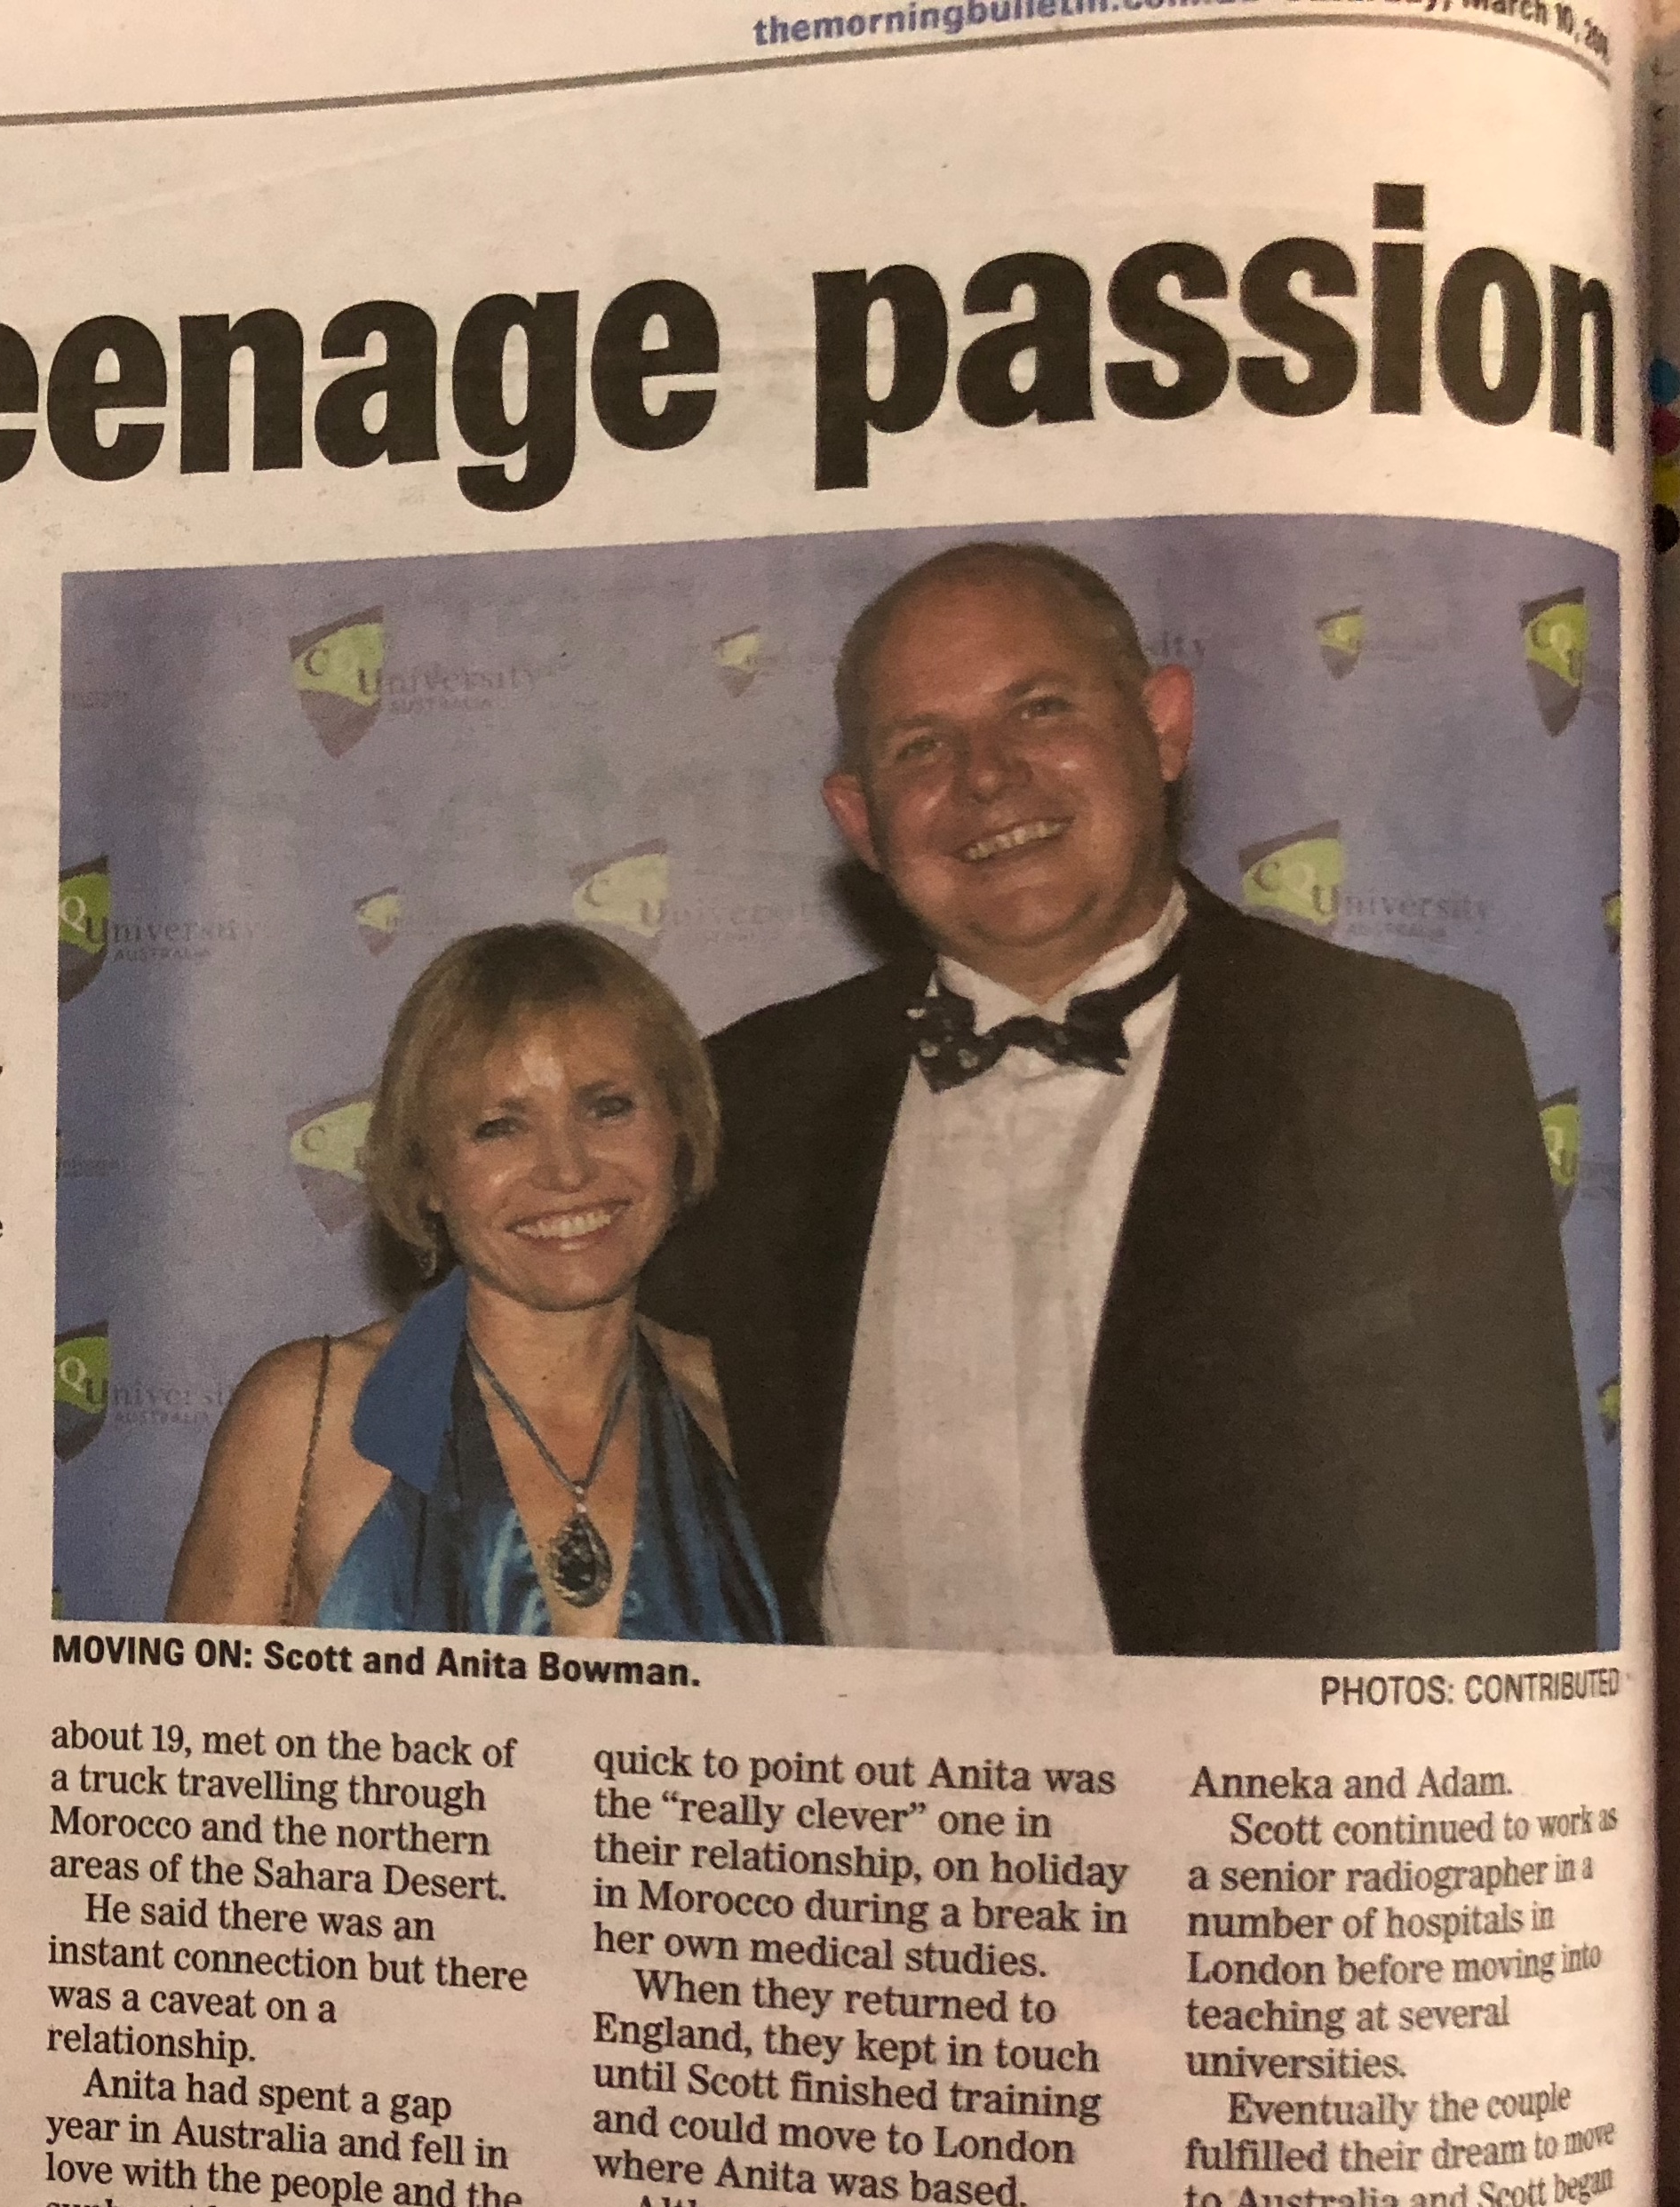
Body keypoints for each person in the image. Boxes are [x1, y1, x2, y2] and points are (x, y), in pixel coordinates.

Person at [651, 540, 1596, 1657]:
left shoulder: (1404, 1057)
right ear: (860, 821)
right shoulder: (748, 1092)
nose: (987, 776)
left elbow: (1509, 1563)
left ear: (1163, 728)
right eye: (921, 745)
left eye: (1039, 708)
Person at [168, 922, 784, 1642]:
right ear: (425, 1173)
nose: (567, 1169)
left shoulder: (751, 1411)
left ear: (678, 1128)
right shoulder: (307, 1416)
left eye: (607, 1107)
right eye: (499, 1126)